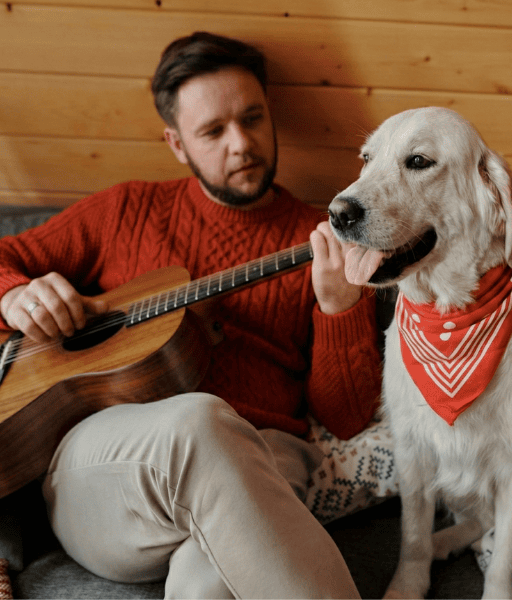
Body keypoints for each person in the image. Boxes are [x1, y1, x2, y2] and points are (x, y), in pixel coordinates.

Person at [0, 32, 382, 598]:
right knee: (201, 422)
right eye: (213, 130)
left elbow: (347, 418)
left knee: (209, 586)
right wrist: (14, 295)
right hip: (105, 475)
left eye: (253, 118)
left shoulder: (326, 237)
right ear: (177, 144)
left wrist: (340, 307)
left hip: (266, 458)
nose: (241, 143)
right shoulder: (124, 210)